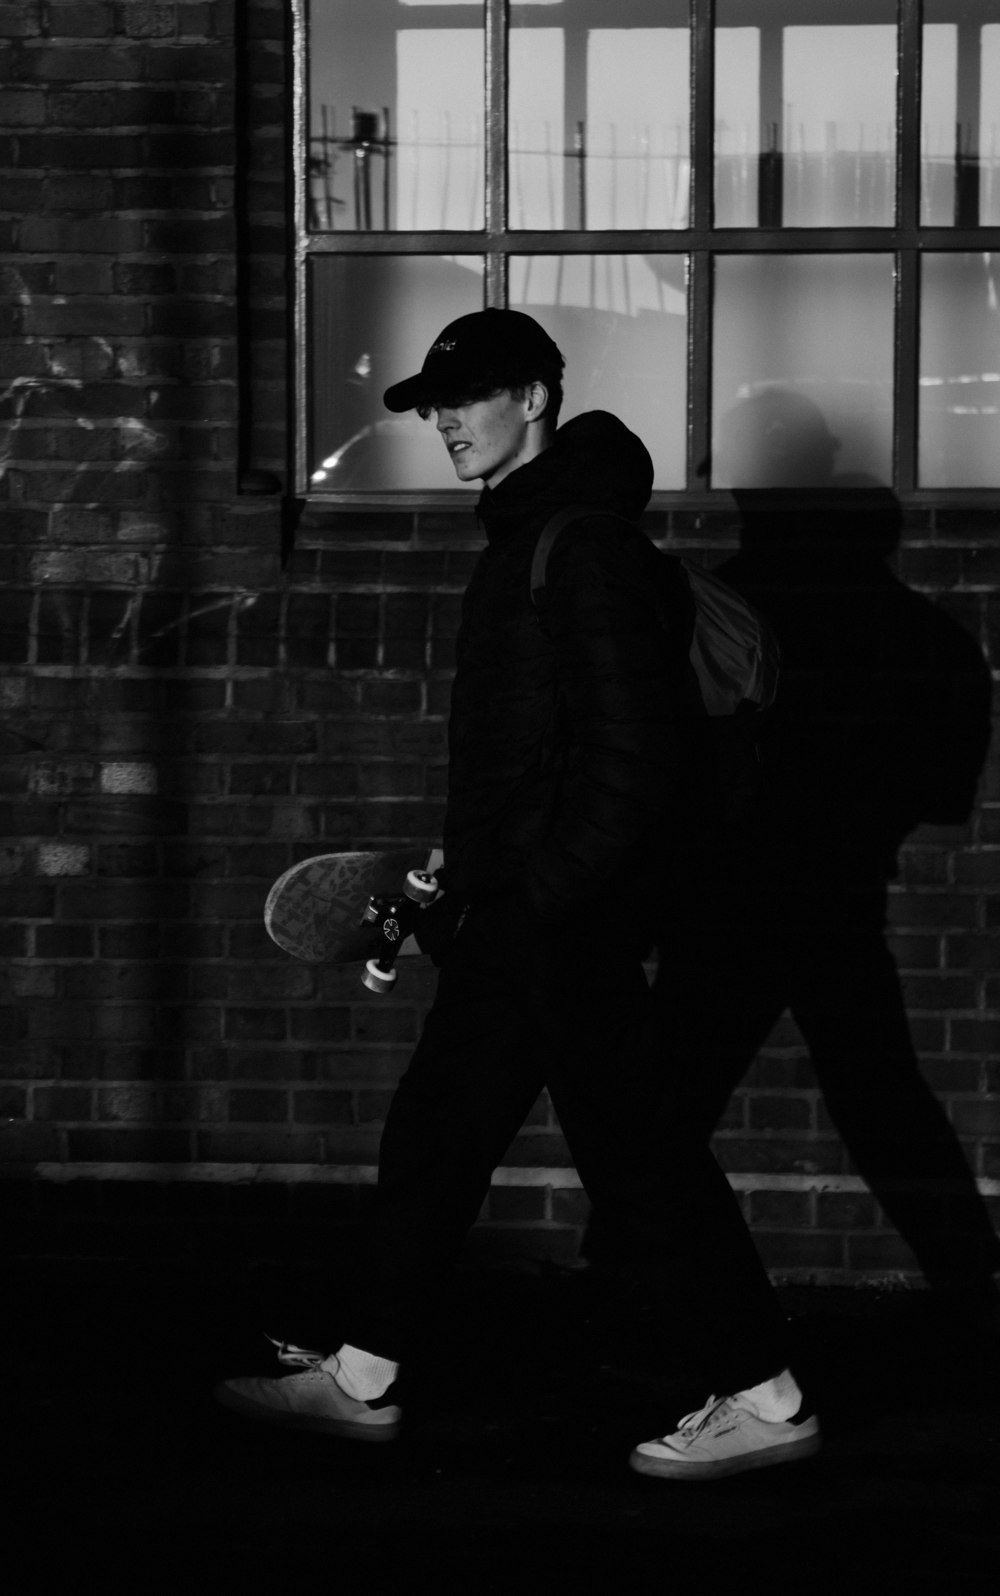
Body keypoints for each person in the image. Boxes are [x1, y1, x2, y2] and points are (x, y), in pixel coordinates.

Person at [215, 310, 821, 1480]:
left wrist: (531, 898)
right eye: (433, 403)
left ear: (535, 397)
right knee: (440, 1137)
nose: (444, 419)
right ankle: (363, 1374)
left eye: (469, 397)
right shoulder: (531, 537)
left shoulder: (579, 546)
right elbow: (532, 760)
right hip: (515, 917)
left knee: (638, 1159)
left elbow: (628, 761)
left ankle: (770, 1395)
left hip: (556, 927)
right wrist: (452, 887)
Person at [655, 391, 1000, 1323]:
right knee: (881, 1096)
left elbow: (661, 761)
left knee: (668, 1103)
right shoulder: (916, 635)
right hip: (834, 894)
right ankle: (970, 1287)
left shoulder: (710, 615)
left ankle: (631, 1281)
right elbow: (936, 793)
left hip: (726, 896)